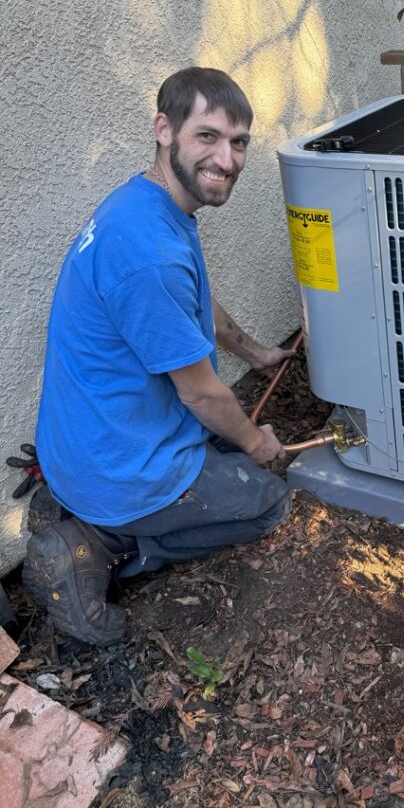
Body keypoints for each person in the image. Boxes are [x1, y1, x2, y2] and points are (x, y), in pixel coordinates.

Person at [24, 67, 293, 646]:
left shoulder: (144, 204)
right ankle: (98, 545)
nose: (227, 159)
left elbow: (193, 302)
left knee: (224, 445)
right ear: (164, 129)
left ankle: (77, 507)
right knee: (267, 503)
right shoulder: (150, 255)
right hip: (122, 468)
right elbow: (199, 393)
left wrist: (255, 353)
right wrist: (256, 444)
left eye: (239, 142)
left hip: (85, 445)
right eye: (208, 136)